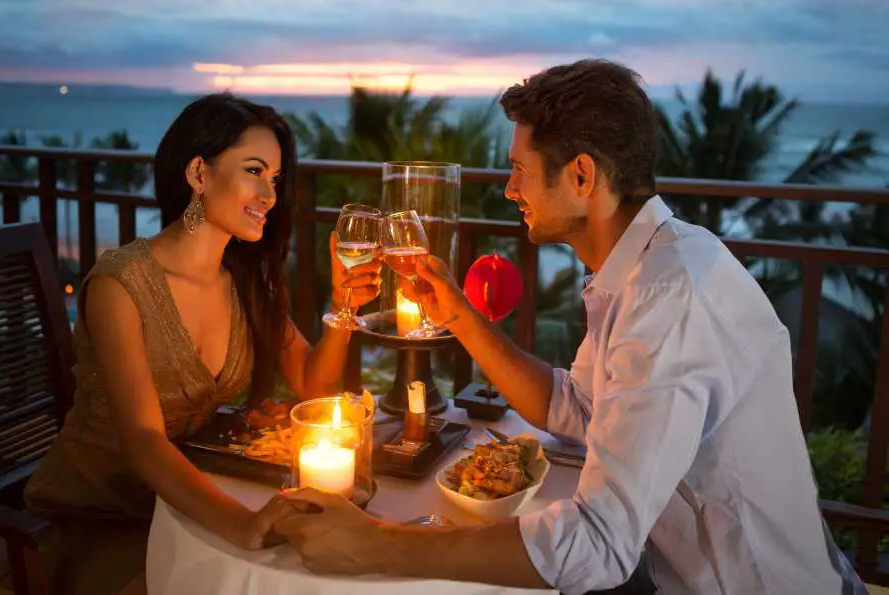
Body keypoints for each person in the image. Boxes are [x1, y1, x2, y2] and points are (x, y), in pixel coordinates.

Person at [276, 60, 866, 594]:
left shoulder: (670, 297)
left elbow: (598, 545)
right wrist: (457, 312)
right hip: (673, 571)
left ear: (582, 176)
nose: (510, 191)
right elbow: (579, 409)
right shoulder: (643, 265)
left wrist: (375, 542)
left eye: (520, 172)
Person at [24, 93, 382, 595]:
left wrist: (344, 306)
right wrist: (243, 524)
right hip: (98, 515)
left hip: (187, 501)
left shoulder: (248, 280)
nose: (270, 196)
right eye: (254, 171)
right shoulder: (121, 284)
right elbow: (143, 440)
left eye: (275, 179)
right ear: (198, 174)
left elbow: (312, 387)